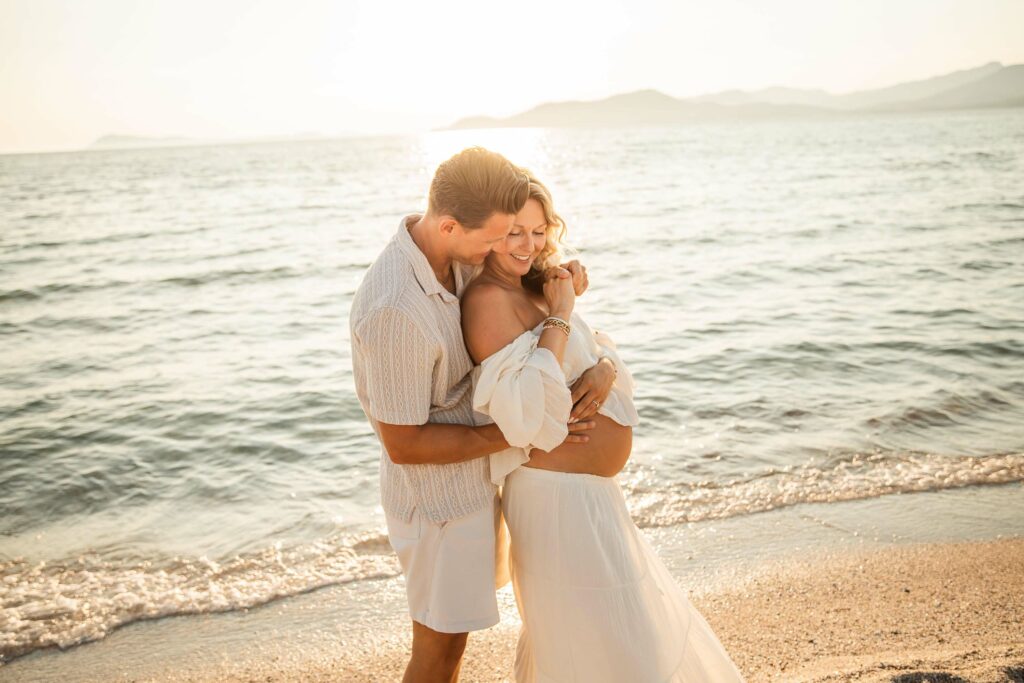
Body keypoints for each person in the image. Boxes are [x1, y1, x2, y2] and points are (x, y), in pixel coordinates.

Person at [461, 171, 747, 682]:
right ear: (490, 233)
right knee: (590, 645)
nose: (528, 244)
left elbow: (590, 354)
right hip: (553, 499)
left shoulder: (536, 288)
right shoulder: (486, 301)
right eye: (513, 232)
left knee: (625, 634)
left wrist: (604, 367)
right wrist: (564, 312)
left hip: (593, 496)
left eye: (538, 229)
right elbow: (532, 410)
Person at [349, 147, 606, 683]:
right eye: (492, 238)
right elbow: (405, 445)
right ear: (449, 225)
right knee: (438, 653)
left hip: (473, 486)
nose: (498, 249)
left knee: (454, 645)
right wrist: (516, 434)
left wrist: (561, 281)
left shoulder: (451, 257)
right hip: (437, 506)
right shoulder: (396, 309)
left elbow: (509, 303)